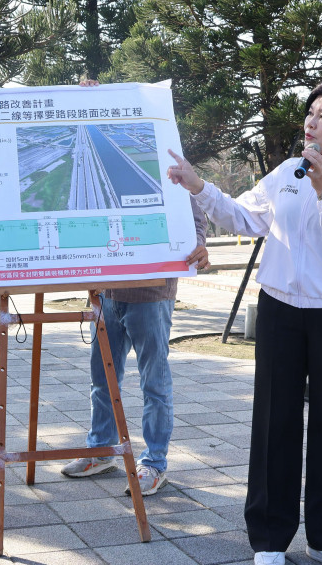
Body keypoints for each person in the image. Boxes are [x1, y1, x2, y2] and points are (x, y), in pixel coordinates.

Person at [167, 82, 322, 565]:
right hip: (281, 312)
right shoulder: (285, 173)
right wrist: (198, 185)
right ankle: (269, 538)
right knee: (274, 421)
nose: (311, 123)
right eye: (310, 114)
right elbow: (244, 219)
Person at [59, 194, 209, 496]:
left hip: (151, 293)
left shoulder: (168, 175)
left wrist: (199, 243)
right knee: (102, 380)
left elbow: (194, 219)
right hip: (106, 292)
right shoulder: (101, 179)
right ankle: (101, 451)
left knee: (154, 383)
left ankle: (154, 464)